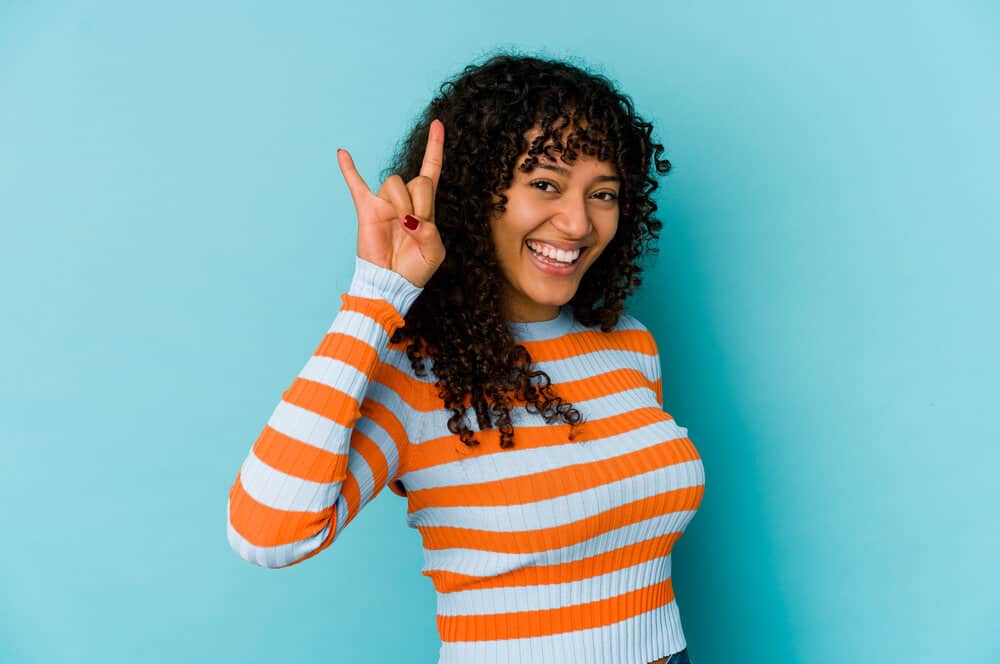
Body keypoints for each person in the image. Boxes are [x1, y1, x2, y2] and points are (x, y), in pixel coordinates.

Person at [226, 52, 704, 664]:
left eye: (603, 193)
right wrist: (377, 292)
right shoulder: (415, 375)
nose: (578, 222)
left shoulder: (631, 345)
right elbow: (268, 533)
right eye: (545, 184)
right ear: (476, 192)